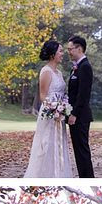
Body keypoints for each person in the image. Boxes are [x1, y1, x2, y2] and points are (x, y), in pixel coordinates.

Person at [22, 39, 74, 177]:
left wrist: (63, 108)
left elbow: (62, 94)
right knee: (47, 145)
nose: (63, 54)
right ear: (52, 54)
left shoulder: (59, 73)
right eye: (60, 51)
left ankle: (59, 173)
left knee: (59, 145)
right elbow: (43, 96)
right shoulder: (46, 71)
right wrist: (55, 108)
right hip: (49, 114)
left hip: (60, 116)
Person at [65, 34, 95, 178]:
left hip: (80, 116)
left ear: (79, 48)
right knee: (78, 150)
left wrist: (74, 114)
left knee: (82, 151)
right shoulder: (76, 68)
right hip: (75, 115)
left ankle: (88, 178)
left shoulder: (85, 67)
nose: (68, 52)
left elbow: (83, 95)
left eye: (70, 49)